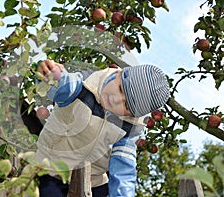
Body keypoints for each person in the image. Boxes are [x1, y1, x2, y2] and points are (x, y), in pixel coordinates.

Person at [35, 59, 170, 197]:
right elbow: (63, 88)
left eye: (126, 106)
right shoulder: (85, 85)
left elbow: (123, 166)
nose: (116, 100)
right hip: (52, 167)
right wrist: (54, 76)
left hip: (93, 181)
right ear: (118, 74)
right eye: (120, 89)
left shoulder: (130, 127)